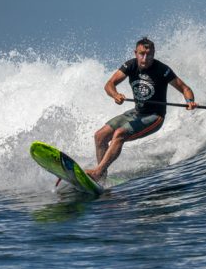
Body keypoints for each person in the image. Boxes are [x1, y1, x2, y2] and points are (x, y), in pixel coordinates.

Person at [85, 37, 198, 182]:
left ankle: (98, 172)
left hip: (154, 116)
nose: (145, 58)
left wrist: (190, 101)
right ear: (135, 53)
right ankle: (101, 177)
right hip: (136, 113)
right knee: (100, 135)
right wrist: (115, 95)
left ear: (154, 54)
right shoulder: (130, 66)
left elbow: (185, 88)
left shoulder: (162, 70)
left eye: (149, 54)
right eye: (141, 54)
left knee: (119, 133)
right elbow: (110, 84)